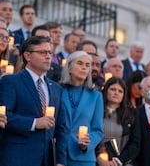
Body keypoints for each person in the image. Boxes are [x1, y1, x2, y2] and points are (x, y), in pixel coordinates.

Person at [0, 36, 67, 166]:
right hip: (17, 158)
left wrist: (60, 160)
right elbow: (4, 117)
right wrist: (34, 123)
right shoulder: (11, 81)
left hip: (46, 160)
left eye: (49, 53)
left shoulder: (56, 89)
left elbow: (61, 128)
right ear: (27, 56)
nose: (48, 57)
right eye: (42, 52)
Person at [59, 51, 104, 166]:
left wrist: (87, 143)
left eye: (87, 65)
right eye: (80, 63)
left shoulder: (96, 96)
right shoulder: (57, 91)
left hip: (83, 158)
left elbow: (97, 130)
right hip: (58, 155)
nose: (84, 67)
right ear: (69, 67)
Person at [96, 77, 136, 166]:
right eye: (113, 89)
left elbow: (135, 143)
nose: (116, 93)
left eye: (120, 91)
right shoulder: (96, 110)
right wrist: (98, 157)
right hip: (97, 160)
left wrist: (119, 160)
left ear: (124, 95)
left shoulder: (131, 114)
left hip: (121, 162)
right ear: (106, 91)